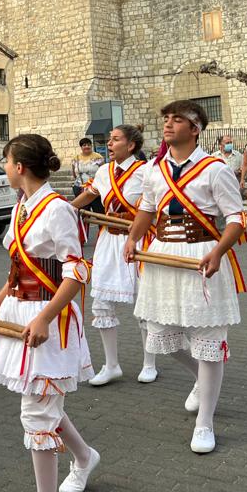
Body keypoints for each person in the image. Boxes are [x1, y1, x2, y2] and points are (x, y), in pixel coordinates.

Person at [0, 134, 96, 492]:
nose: (4, 167)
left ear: (20, 167)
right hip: (18, 311)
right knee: (42, 402)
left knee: (37, 413)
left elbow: (77, 271)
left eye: (6, 161)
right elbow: (18, 270)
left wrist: (45, 317)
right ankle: (84, 455)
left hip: (49, 319)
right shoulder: (21, 206)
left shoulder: (57, 209)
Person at [123, 100, 247, 454]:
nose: (169, 124)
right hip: (162, 255)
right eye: (166, 118)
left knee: (208, 342)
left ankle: (205, 422)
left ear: (195, 129)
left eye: (178, 119)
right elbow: (147, 209)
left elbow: (237, 219)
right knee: (160, 335)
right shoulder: (154, 169)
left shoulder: (215, 168)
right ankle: (200, 381)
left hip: (201, 254)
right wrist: (132, 238)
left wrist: (219, 251)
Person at [71, 125, 156, 385]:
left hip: (137, 240)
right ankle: (111, 365)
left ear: (131, 145)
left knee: (144, 304)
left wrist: (131, 219)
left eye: (115, 139)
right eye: (109, 139)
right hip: (108, 241)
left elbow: (154, 206)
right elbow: (90, 195)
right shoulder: (104, 171)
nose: (109, 143)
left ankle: (149, 363)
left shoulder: (146, 171)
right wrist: (65, 208)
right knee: (102, 304)